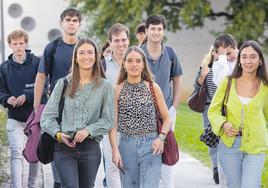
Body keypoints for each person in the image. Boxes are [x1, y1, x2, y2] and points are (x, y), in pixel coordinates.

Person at [40, 37, 114, 188]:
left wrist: (88, 130)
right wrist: (58, 134)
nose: (86, 56)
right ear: (75, 57)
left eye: (90, 52)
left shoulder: (105, 86)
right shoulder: (63, 83)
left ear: (95, 56)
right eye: (82, 53)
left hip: (91, 148)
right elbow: (47, 118)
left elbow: (108, 120)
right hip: (64, 147)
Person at [208, 40, 268, 187]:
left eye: (253, 57)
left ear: (260, 60)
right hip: (229, 146)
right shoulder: (227, 82)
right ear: (239, 60)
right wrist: (223, 123)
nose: (248, 61)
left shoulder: (266, 87)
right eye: (244, 57)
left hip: (256, 146)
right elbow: (213, 110)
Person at [110, 46, 171, 188]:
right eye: (130, 61)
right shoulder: (117, 90)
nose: (134, 64)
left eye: (138, 61)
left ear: (143, 64)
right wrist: (115, 149)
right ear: (124, 64)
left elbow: (167, 119)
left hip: (151, 144)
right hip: (126, 145)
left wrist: (161, 138)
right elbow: (113, 124)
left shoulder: (153, 87)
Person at [34, 8, 82, 188]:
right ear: (62, 23)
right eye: (68, 20)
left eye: (75, 20)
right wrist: (37, 107)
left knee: (80, 149)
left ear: (79, 24)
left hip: (83, 108)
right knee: (57, 150)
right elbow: (41, 76)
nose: (71, 23)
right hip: (58, 109)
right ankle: (58, 183)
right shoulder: (52, 47)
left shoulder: (84, 47)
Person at [0, 30, 47, 188]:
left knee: (33, 153)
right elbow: (1, 91)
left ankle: (33, 185)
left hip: (34, 117)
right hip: (14, 117)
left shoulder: (37, 62)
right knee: (16, 152)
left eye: (21, 43)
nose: (19, 47)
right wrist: (7, 98)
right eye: (15, 44)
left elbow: (44, 86)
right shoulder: (4, 68)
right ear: (10, 45)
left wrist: (27, 95)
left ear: (26, 44)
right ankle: (16, 186)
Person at [140, 14, 183, 188]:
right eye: (153, 29)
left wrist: (175, 106)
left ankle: (167, 184)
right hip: (143, 113)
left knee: (167, 152)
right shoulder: (138, 53)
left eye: (159, 29)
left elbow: (177, 78)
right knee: (147, 153)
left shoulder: (171, 53)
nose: (156, 32)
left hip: (167, 112)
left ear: (163, 31)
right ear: (146, 30)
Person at [102, 23, 130, 188]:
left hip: (134, 123)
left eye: (124, 40)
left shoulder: (136, 62)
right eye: (117, 40)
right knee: (112, 165)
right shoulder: (102, 66)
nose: (121, 44)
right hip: (110, 122)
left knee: (132, 166)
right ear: (110, 43)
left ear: (129, 40)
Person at [193, 46, 219, 184]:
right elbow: (196, 86)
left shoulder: (229, 67)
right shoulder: (205, 66)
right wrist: (203, 75)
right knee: (212, 138)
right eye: (215, 51)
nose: (218, 54)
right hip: (208, 108)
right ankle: (215, 167)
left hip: (225, 107)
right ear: (212, 52)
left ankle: (223, 167)